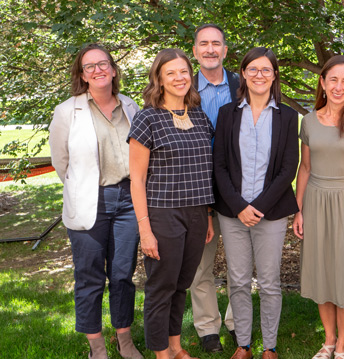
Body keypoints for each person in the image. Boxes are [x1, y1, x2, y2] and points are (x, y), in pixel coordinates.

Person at [49, 43, 143, 359]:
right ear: (82, 75)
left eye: (103, 64)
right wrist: (83, 188)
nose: (98, 70)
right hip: (89, 202)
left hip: (129, 203)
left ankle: (125, 341)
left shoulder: (130, 107)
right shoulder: (66, 111)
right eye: (90, 66)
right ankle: (97, 348)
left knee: (122, 275)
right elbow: (61, 161)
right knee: (89, 278)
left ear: (113, 70)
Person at [212, 47, 299, 359]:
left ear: (274, 75)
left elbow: (289, 167)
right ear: (243, 75)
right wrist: (239, 206)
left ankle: (270, 347)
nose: (259, 75)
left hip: (271, 213)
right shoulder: (227, 113)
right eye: (253, 69)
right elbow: (218, 165)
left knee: (269, 281)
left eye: (266, 70)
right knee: (237, 280)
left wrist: (258, 206)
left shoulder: (288, 116)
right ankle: (244, 345)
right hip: (233, 213)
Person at [128, 48, 215, 359]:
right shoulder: (147, 118)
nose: (179, 78)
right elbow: (136, 180)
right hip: (163, 213)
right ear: (159, 80)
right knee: (161, 286)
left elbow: (203, 170)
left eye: (183, 72)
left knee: (182, 284)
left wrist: (206, 215)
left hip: (195, 213)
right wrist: (145, 230)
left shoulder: (200, 117)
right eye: (171, 73)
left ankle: (176, 347)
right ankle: (160, 351)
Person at [294, 55, 344, 359]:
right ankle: (328, 341)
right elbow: (305, 167)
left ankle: (343, 347)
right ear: (322, 83)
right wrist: (299, 209)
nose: (339, 86)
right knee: (322, 272)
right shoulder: (310, 120)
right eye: (333, 79)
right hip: (315, 202)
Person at [189, 23, 240, 353]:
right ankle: (208, 328)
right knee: (199, 264)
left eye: (216, 44)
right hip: (195, 188)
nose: (210, 49)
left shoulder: (243, 83)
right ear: (195, 50)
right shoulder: (181, 86)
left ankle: (238, 322)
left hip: (236, 189)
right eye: (203, 44)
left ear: (224, 50)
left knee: (239, 263)